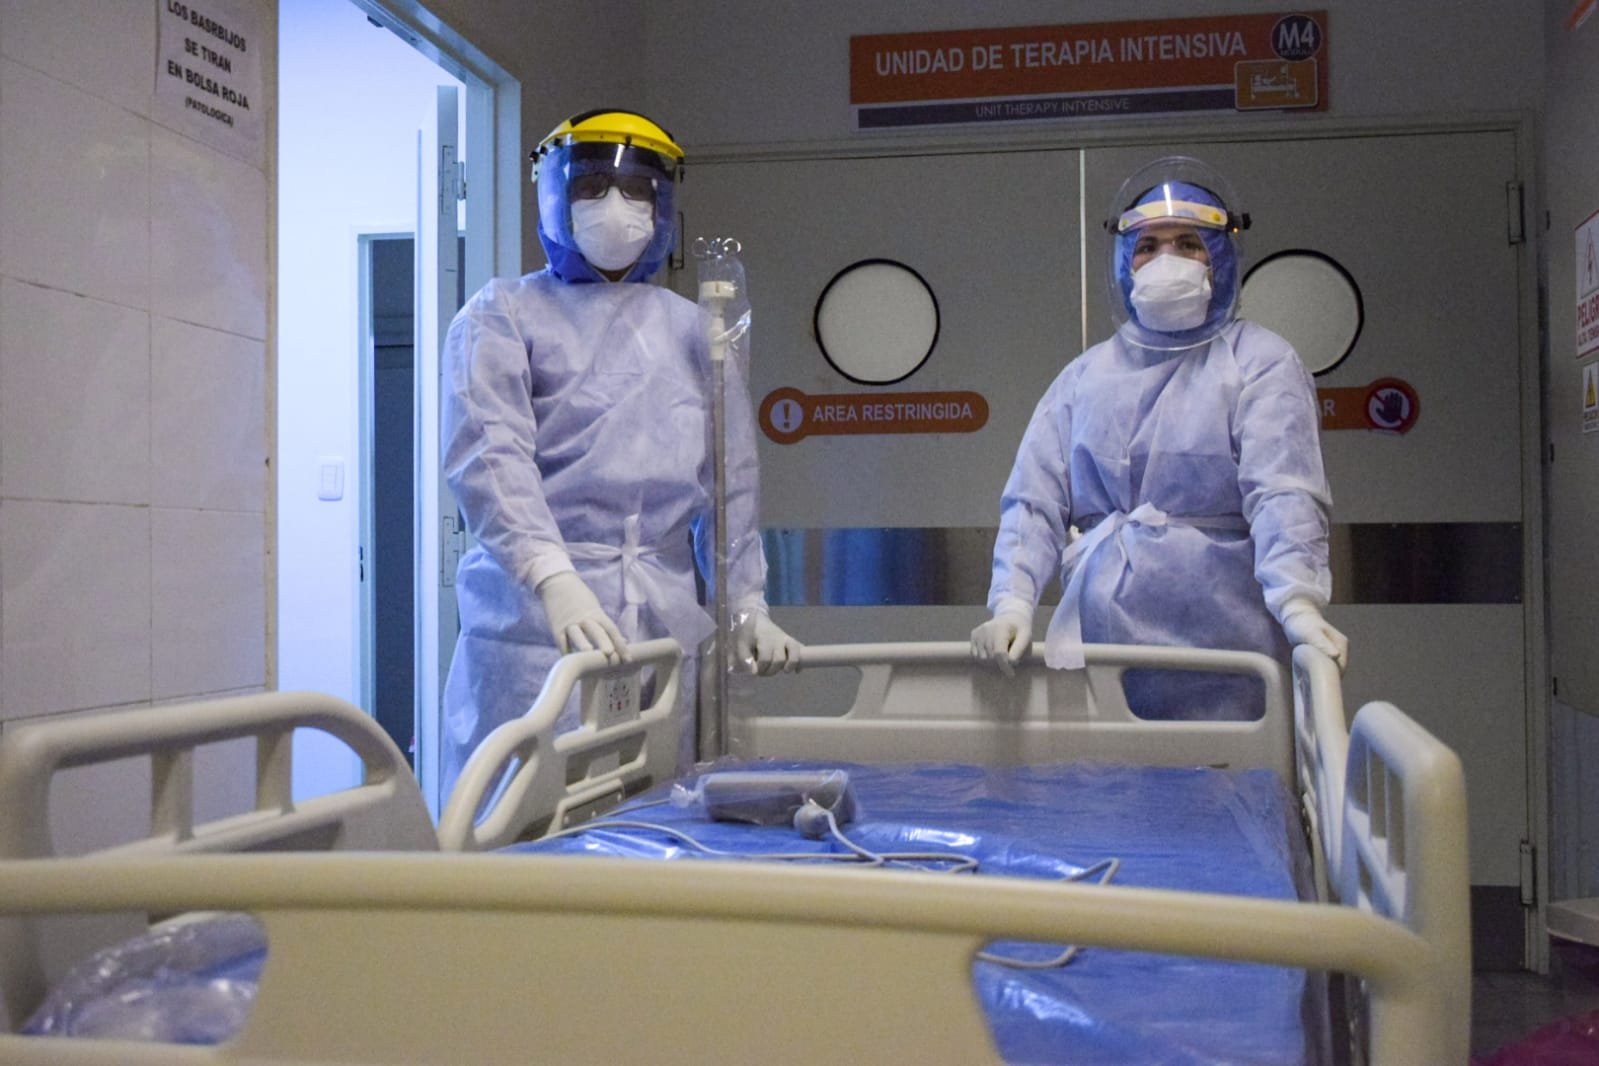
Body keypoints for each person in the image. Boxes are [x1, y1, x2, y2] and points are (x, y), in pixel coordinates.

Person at [440, 109, 801, 791]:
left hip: (662, 619)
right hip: (536, 627)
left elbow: (731, 483)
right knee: (529, 811)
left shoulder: (697, 330)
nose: (615, 207)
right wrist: (554, 579)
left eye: (637, 190)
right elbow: (489, 459)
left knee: (652, 806)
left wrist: (747, 605)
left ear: (662, 206)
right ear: (554, 195)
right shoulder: (502, 315)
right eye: (591, 188)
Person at [971, 156, 1347, 719]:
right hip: (1104, 647)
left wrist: (1298, 602)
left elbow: (1284, 493)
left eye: (1187, 244)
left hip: (1231, 651)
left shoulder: (1259, 363)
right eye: (1147, 246)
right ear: (1125, 263)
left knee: (1229, 771)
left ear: (1220, 259)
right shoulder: (1085, 378)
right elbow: (1033, 501)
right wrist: (1013, 603)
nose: (1165, 260)